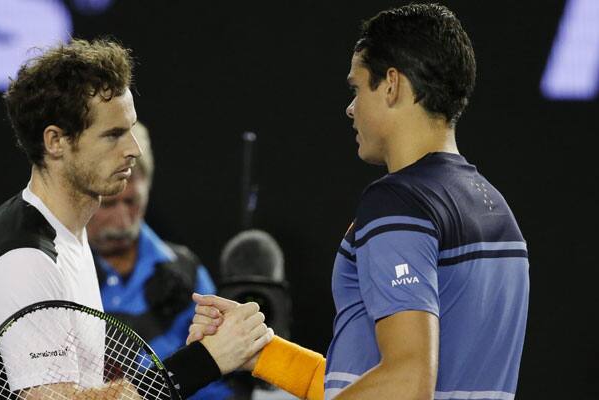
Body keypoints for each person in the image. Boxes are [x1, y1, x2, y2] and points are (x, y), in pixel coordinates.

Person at [189, 4, 530, 400]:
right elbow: (365, 387)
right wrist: (260, 351)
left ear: (391, 85)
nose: (351, 108)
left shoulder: (398, 201)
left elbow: (406, 384)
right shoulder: (497, 211)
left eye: (356, 87)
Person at [0, 38, 272, 400]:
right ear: (56, 141)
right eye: (113, 134)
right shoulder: (25, 261)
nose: (132, 148)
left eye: (129, 129)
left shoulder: (66, 235)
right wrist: (206, 360)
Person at [87, 121, 233, 399]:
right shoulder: (58, 270)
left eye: (131, 202)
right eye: (108, 204)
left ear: (147, 188)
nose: (121, 221)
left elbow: (216, 382)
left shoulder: (186, 272)